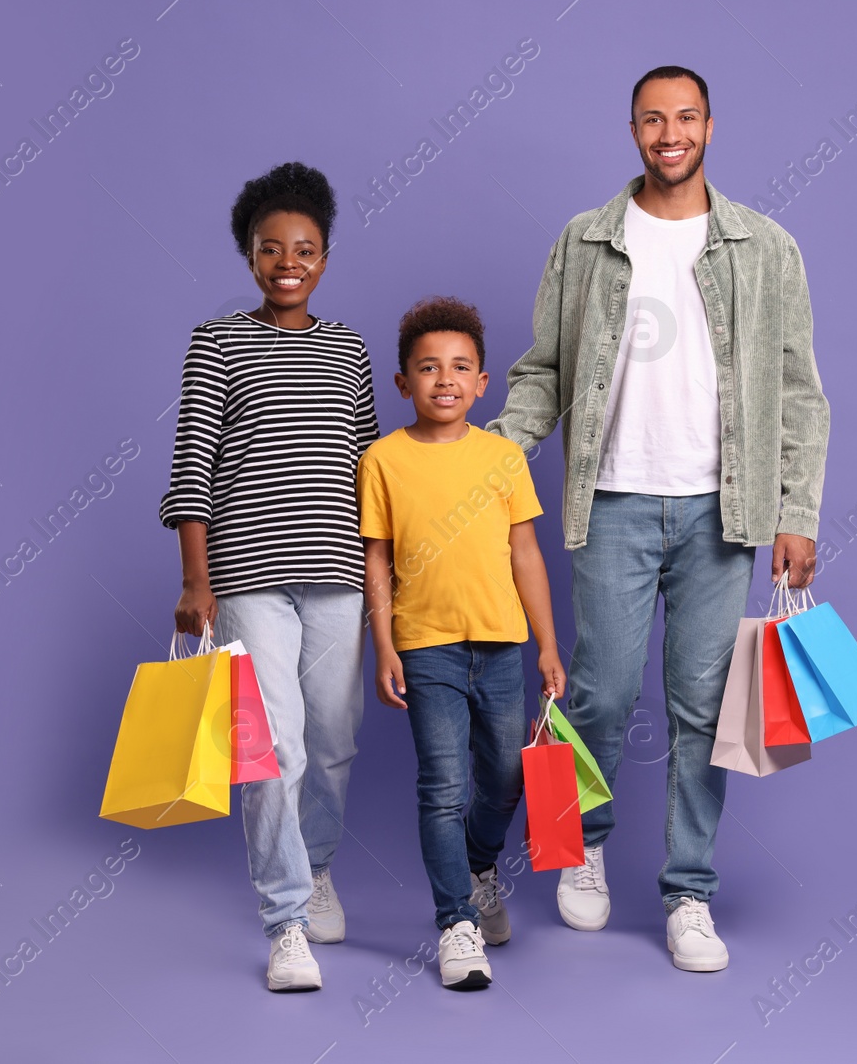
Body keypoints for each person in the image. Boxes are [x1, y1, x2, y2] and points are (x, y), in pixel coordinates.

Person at [485, 66, 830, 972]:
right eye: (652, 119)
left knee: (704, 707)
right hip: (612, 499)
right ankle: (576, 843)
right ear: (632, 129)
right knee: (594, 691)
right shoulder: (586, 240)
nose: (669, 133)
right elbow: (543, 373)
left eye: (685, 117)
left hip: (728, 509)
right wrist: (489, 461)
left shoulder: (765, 247)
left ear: (710, 124)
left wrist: (797, 511)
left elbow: (800, 394)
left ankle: (689, 893)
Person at [161, 162, 378, 993]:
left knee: (333, 741)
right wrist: (195, 579)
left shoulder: (350, 350)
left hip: (337, 575)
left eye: (306, 249)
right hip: (248, 577)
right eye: (271, 249)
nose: (289, 261)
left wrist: (384, 579)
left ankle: (316, 865)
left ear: (324, 258)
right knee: (275, 746)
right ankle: (287, 918)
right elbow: (192, 466)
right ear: (250, 257)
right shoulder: (217, 341)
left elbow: (368, 470)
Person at [358, 296, 565, 989]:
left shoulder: (504, 458)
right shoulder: (382, 460)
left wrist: (547, 646)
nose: (443, 379)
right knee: (442, 785)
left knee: (506, 780)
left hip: (504, 646)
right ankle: (457, 922)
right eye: (427, 367)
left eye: (460, 367)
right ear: (403, 382)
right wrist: (384, 645)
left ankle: (480, 865)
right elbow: (378, 561)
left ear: (482, 383)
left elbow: (527, 555)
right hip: (427, 649)